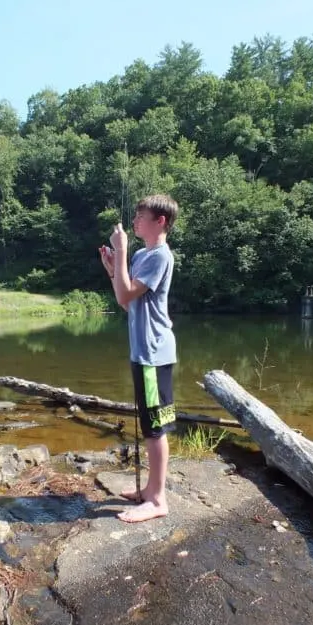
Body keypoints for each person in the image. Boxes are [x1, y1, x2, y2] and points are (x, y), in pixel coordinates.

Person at [99, 194, 179, 524]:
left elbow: (127, 293)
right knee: (151, 423)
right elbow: (125, 300)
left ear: (160, 221)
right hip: (144, 352)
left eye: (141, 216)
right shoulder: (145, 255)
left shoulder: (159, 256)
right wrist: (112, 266)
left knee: (155, 426)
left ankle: (158, 499)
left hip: (154, 354)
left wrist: (120, 253)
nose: (134, 222)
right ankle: (149, 489)